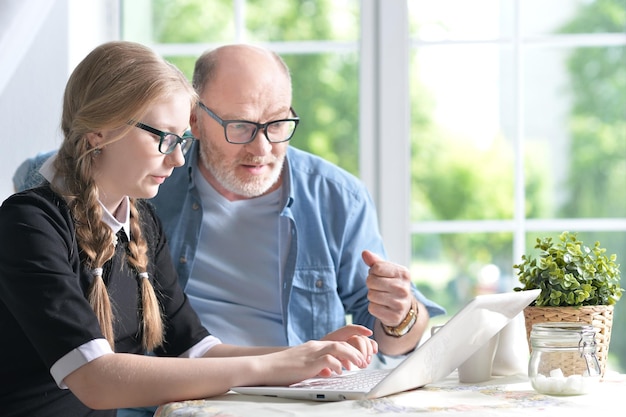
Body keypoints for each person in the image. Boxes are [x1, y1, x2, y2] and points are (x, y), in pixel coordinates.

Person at [0, 41, 378, 417]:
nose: (178, 158)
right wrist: (277, 366)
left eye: (180, 139)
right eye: (162, 137)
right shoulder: (28, 225)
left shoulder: (141, 223)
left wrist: (309, 353)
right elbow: (96, 379)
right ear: (98, 131)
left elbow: (195, 348)